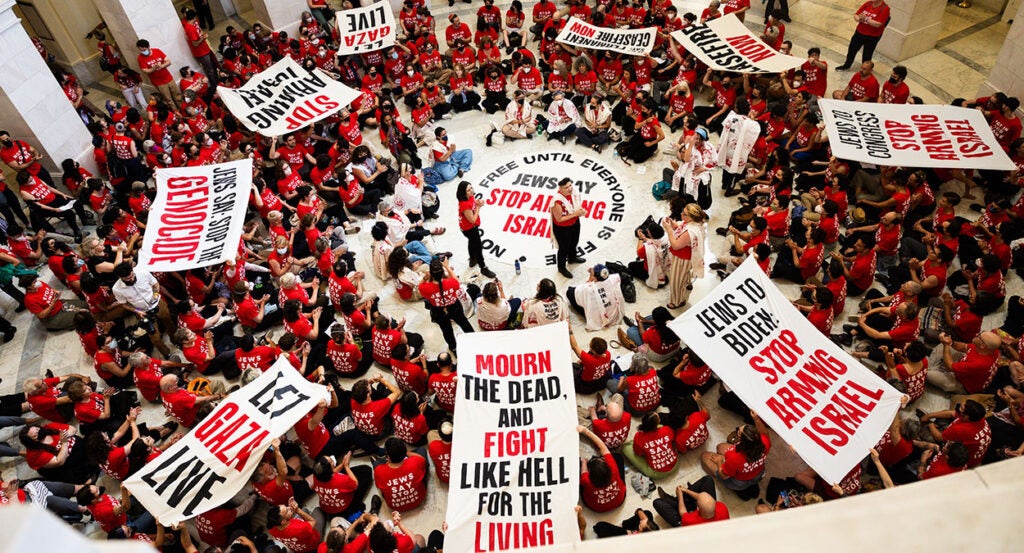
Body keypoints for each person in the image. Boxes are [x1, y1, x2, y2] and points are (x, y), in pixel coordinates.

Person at [701, 411, 771, 498]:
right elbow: (764, 433)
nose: (738, 429)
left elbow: (723, 475)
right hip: (758, 474)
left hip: (739, 482)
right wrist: (756, 418)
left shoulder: (735, 457)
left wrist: (719, 462)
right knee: (720, 447)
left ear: (742, 440)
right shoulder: (764, 443)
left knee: (704, 457)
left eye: (738, 431)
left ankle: (737, 488)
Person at [418, 257, 474, 352]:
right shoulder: (451, 283)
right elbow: (457, 281)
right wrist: (447, 267)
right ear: (442, 272)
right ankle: (473, 338)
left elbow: (420, 287)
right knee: (464, 323)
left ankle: (453, 347)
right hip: (454, 307)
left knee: (446, 330)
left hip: (438, 311)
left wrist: (425, 278)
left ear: (431, 273)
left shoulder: (426, 288)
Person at [663, 204, 707, 309]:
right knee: (684, 273)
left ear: (692, 217)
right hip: (689, 255)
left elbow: (676, 245)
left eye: (685, 214)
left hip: (682, 258)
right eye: (683, 211)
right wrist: (675, 226)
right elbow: (683, 230)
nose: (681, 214)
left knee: (676, 280)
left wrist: (669, 230)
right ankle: (687, 283)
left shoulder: (690, 231)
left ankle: (677, 301)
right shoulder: (696, 224)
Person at [577, 425, 627, 512]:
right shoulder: (613, 469)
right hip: (619, 500)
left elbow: (584, 471)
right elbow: (603, 447)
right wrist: (586, 431)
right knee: (617, 457)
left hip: (596, 507)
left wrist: (584, 462)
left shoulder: (586, 480)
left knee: (577, 470)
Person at [373, 437, 429, 512]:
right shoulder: (415, 461)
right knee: (421, 450)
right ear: (404, 451)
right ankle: (398, 455)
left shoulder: (379, 471)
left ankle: (386, 459)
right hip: (418, 499)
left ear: (388, 456)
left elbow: (379, 487)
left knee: (376, 463)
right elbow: (424, 461)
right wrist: (406, 453)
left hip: (395, 506)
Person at [566, 264, 626, 331]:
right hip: (613, 316)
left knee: (570, 291)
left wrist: (590, 279)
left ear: (595, 277)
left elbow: (582, 290)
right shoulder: (614, 279)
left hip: (599, 318)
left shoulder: (588, 288)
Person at [456, 181, 496, 278]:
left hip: (467, 228)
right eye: (468, 190)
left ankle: (472, 259)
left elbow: (472, 204)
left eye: (471, 188)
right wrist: (478, 206)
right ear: (463, 193)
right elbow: (472, 220)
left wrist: (476, 202)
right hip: (469, 229)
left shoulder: (470, 197)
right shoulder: (464, 205)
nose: (471, 191)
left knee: (472, 241)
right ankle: (483, 267)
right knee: (478, 247)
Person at [652, 476, 729, 527]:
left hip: (688, 523)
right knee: (708, 479)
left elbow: (683, 513)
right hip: (702, 511)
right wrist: (686, 490)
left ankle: (675, 500)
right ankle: (685, 500)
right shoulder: (722, 507)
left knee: (657, 503)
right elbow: (700, 497)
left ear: (698, 508)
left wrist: (680, 496)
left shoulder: (691, 521)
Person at [836, 0, 891, 70]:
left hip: (872, 37)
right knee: (852, 50)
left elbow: (878, 24)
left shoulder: (885, 8)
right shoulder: (868, 3)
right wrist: (858, 19)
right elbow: (856, 14)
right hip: (859, 32)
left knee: (867, 55)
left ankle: (865, 70)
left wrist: (866, 19)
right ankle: (847, 65)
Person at [550, 177, 586, 278]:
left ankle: (572, 258)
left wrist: (580, 211)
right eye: (566, 187)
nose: (570, 188)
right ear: (560, 189)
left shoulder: (573, 193)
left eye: (570, 185)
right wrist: (576, 214)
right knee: (563, 248)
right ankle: (561, 267)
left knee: (574, 242)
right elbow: (559, 219)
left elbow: (576, 206)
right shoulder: (557, 201)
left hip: (574, 223)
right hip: (563, 229)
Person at [136, 39, 183, 109]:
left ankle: (183, 108)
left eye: (144, 50)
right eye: (141, 50)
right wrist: (154, 67)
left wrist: (162, 66)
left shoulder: (157, 51)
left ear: (148, 47)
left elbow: (168, 61)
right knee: (168, 99)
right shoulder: (140, 58)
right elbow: (146, 71)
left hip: (168, 78)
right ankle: (176, 113)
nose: (143, 52)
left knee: (177, 95)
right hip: (159, 83)